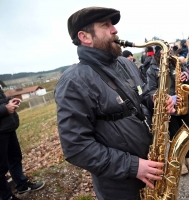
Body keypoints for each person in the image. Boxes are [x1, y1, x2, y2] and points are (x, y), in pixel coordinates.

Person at [55, 6, 175, 200]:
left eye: (113, 24)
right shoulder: (73, 82)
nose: (115, 30)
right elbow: (76, 147)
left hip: (152, 166)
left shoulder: (125, 64)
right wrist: (133, 167)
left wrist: (155, 100)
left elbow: (142, 96)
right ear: (85, 37)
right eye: (106, 25)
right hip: (119, 189)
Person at [147, 49, 189, 175]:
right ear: (159, 53)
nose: (168, 54)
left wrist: (187, 76)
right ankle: (178, 160)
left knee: (187, 132)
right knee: (175, 135)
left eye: (170, 51)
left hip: (183, 104)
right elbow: (151, 90)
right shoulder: (151, 70)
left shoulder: (177, 63)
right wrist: (168, 98)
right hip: (168, 108)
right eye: (165, 52)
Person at [0, 85, 45, 200]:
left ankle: (22, 185)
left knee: (15, 159)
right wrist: (5, 109)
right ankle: (7, 197)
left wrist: (10, 102)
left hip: (8, 128)